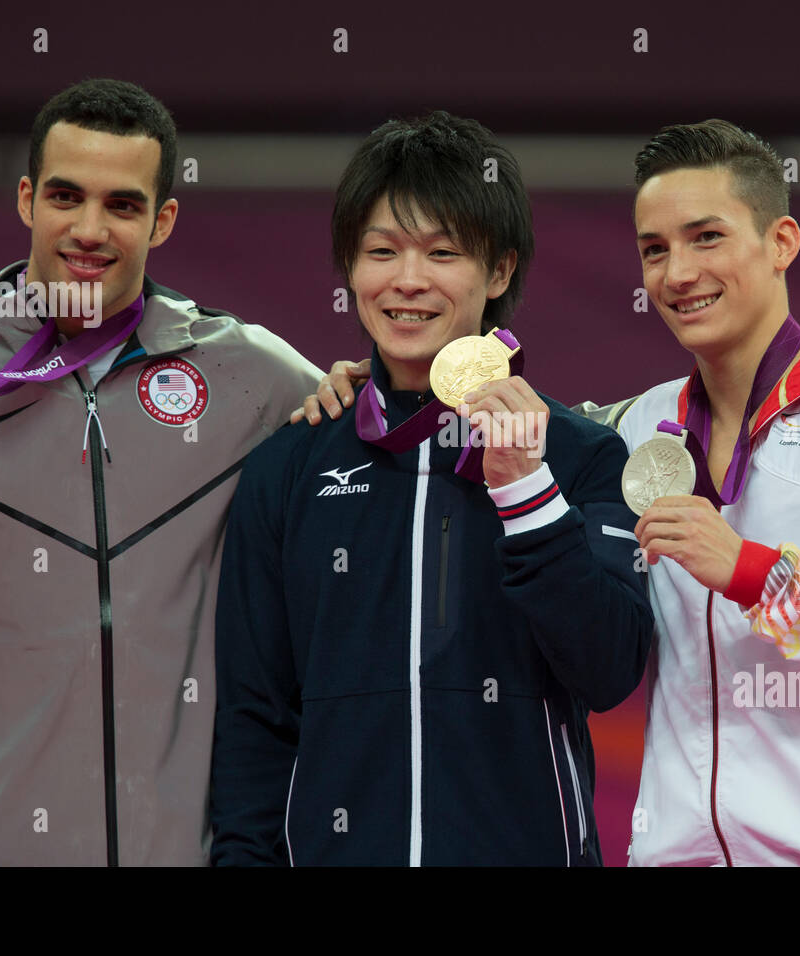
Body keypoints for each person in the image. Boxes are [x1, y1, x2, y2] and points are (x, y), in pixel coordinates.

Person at [297, 119, 800, 866]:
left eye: (707, 238)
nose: (677, 273)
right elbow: (519, 426)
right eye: (654, 250)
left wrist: (756, 572)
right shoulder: (635, 429)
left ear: (781, 243)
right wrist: (373, 395)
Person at [0, 78, 322, 865]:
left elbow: (377, 444)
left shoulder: (248, 377)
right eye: (66, 196)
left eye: (123, 205)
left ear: (162, 219)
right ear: (28, 199)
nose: (89, 230)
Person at [208, 111, 653, 866]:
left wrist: (528, 493)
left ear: (501, 271)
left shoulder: (580, 456)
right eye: (381, 251)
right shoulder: (289, 465)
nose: (407, 281)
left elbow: (610, 670)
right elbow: (256, 716)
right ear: (351, 270)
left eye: (443, 253)